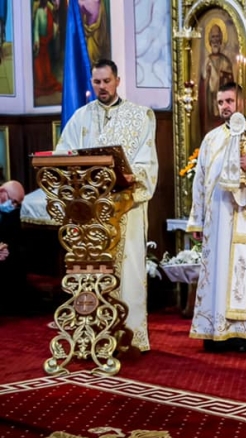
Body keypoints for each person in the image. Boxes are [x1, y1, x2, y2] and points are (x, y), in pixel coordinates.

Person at [56, 59, 159, 353]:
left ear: (117, 81)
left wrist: (133, 176)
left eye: (106, 81)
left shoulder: (139, 116)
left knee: (128, 269)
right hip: (90, 210)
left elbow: (147, 161)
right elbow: (63, 154)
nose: (102, 87)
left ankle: (129, 335)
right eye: (97, 82)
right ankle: (90, 332)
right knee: (90, 270)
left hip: (126, 206)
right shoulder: (80, 117)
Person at [186, 82, 246, 353]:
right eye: (221, 102)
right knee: (217, 275)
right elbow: (200, 180)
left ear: (244, 102)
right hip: (217, 223)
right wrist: (197, 220)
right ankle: (215, 330)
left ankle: (245, 334)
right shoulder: (211, 139)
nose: (225, 107)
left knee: (244, 274)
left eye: (229, 101)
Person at [201, 24, 235, 136]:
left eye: (217, 37)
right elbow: (203, 84)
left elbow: (230, 84)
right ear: (209, 40)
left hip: (223, 101)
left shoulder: (225, 61)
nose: (215, 40)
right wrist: (208, 75)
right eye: (213, 37)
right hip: (210, 101)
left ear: (221, 40)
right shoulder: (207, 61)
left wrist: (221, 76)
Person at [32, 0, 62, 98]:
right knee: (39, 64)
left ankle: (46, 78)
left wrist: (55, 28)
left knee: (46, 64)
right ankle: (40, 81)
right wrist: (36, 41)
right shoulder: (39, 11)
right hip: (41, 43)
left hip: (46, 41)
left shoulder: (49, 9)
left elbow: (52, 23)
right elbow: (36, 28)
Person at [0, 180, 24, 287]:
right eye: (13, 201)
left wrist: (3, 250)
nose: (14, 206)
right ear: (2, 192)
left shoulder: (11, 214)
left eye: (17, 204)